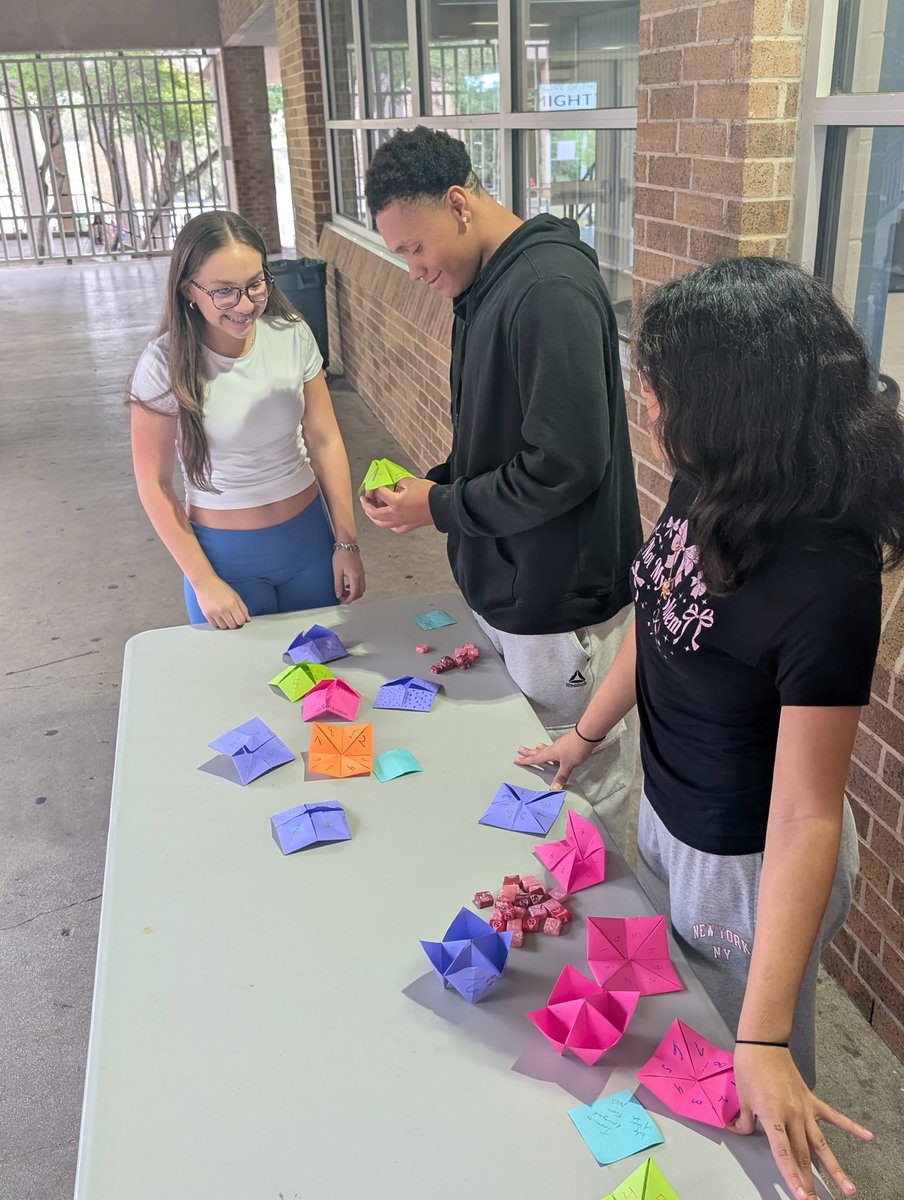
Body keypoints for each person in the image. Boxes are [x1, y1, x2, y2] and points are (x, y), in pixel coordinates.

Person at [516, 257, 904, 1199]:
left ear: (736, 404)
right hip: (670, 815)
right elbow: (658, 621)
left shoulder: (826, 575)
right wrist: (587, 736)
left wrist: (767, 1037)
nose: (649, 411)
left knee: (747, 1094)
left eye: (663, 393)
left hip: (750, 868)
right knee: (674, 1040)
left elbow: (809, 814)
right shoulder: (715, 479)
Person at [361, 127, 642, 848]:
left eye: (415, 248)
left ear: (459, 203)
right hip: (513, 590)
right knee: (532, 773)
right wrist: (436, 486)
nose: (414, 271)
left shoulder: (545, 289)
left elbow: (565, 464)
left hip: (560, 606)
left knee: (585, 785)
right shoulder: (483, 287)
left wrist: (445, 507)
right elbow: (500, 440)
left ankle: (615, 940)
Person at [129, 211, 364, 628]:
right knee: (244, 690)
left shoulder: (290, 335)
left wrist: (346, 542)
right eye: (224, 292)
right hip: (225, 561)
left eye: (255, 283)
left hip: (310, 545)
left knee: (326, 684)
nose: (246, 304)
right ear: (189, 290)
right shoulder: (162, 364)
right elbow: (154, 483)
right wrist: (203, 581)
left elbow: (325, 438)